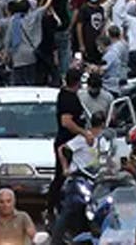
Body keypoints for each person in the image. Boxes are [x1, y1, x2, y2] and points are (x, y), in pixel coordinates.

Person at [50, 70, 90, 214]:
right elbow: (66, 122)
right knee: (62, 176)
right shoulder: (68, 99)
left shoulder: (66, 94)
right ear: (78, 82)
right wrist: (84, 133)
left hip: (73, 143)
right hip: (67, 143)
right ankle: (54, 207)